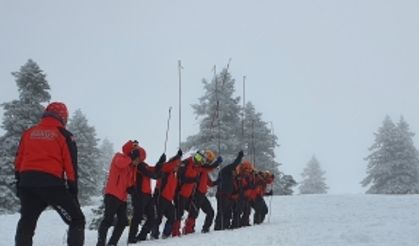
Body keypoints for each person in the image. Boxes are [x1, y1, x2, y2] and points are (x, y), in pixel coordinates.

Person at [14, 102, 85, 246]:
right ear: (63, 117)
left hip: (27, 184)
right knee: (77, 219)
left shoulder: (28, 133)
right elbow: (70, 165)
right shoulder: (64, 135)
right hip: (51, 185)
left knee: (27, 223)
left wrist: (19, 182)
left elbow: (18, 161)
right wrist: (73, 190)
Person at [96, 140, 145, 246]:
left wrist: (130, 188)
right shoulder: (119, 157)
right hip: (112, 194)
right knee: (108, 220)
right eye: (137, 159)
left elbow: (127, 182)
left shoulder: (130, 167)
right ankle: (100, 243)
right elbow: (120, 164)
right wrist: (131, 158)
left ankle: (112, 243)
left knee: (123, 222)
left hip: (122, 198)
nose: (137, 162)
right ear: (132, 155)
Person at [184, 150, 223, 234]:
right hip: (196, 194)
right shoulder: (199, 168)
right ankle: (188, 230)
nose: (207, 162)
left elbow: (209, 182)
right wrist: (217, 163)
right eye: (207, 160)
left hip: (202, 195)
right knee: (194, 213)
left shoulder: (204, 170)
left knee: (210, 212)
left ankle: (205, 228)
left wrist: (217, 182)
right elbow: (209, 167)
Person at [213, 150, 244, 231]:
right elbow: (234, 164)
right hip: (222, 195)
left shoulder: (229, 176)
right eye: (234, 171)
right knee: (222, 212)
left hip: (226, 196)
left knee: (227, 212)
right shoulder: (226, 171)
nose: (235, 173)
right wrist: (240, 157)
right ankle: (219, 227)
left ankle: (225, 226)